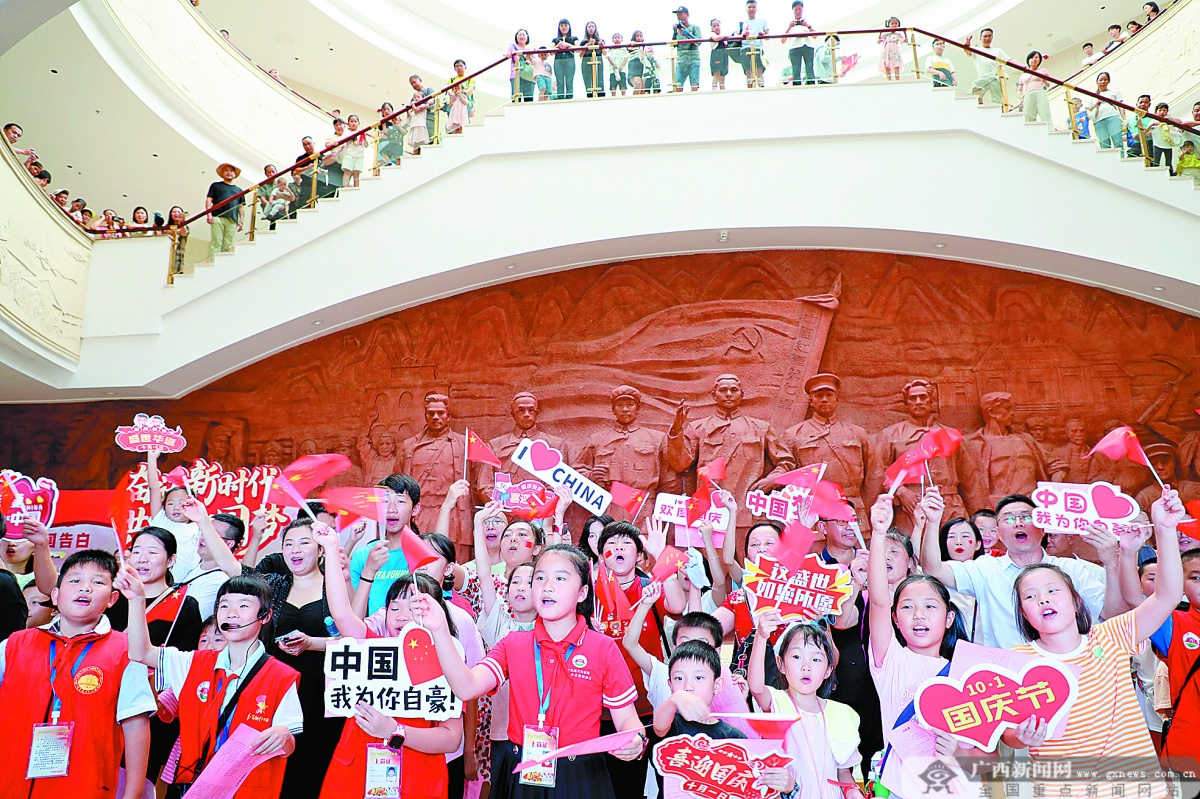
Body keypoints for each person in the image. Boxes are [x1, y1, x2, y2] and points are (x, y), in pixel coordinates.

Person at [415, 544, 645, 799]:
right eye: (540, 578)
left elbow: (628, 720)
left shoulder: (603, 647)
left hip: (580, 774)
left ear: (582, 593)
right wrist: (440, 630)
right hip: (521, 771)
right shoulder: (513, 643)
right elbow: (466, 687)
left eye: (560, 578)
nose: (547, 586)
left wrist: (635, 739)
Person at [1006, 490, 1184, 798]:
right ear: (1023, 613)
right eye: (1030, 596)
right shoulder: (1016, 659)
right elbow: (1008, 733)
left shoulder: (1112, 635)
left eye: (1053, 590)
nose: (1043, 599)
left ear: (1076, 601)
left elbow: (1167, 596)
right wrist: (1022, 738)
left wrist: (1165, 530)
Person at [119, 568, 301, 799]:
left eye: (243, 606)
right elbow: (141, 652)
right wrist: (137, 600)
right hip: (194, 785)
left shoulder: (281, 675)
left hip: (248, 790)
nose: (231, 614)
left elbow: (288, 746)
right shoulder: (193, 662)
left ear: (265, 616)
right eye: (224, 606)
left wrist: (284, 735)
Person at [313, 521, 464, 799]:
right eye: (394, 607)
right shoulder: (373, 647)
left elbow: (451, 738)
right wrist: (331, 549)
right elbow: (342, 614)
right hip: (356, 770)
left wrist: (395, 731)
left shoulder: (449, 662)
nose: (402, 616)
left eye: (415, 606)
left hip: (417, 776)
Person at [0, 550, 155, 799]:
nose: (85, 588)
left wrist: (133, 794)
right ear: (55, 595)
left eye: (98, 582)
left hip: (85, 786)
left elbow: (136, 723)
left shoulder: (127, 651)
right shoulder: (15, 644)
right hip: (9, 782)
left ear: (112, 599)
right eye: (75, 580)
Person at [866, 495, 979, 799]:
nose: (918, 615)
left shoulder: (968, 675)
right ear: (895, 618)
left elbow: (988, 760)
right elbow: (878, 601)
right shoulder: (891, 661)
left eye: (930, 606)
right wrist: (878, 534)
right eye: (907, 607)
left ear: (949, 617)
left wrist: (958, 752)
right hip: (901, 791)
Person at [920, 491, 1121, 649]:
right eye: (1008, 519)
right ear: (999, 533)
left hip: (1065, 670)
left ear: (1043, 528)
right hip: (1007, 676)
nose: (1018, 523)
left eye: (1026, 517)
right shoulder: (985, 568)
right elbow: (934, 570)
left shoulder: (1070, 569)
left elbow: (1112, 614)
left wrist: (1112, 563)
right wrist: (933, 522)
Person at [749, 616, 865, 799]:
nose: (806, 666)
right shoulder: (777, 701)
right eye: (796, 657)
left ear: (828, 670)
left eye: (816, 659)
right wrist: (761, 637)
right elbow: (756, 688)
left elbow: (843, 773)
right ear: (781, 664)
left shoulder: (841, 714)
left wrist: (852, 792)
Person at [765, 373, 868, 529]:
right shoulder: (793, 434)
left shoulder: (857, 433)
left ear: (837, 398)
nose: (824, 399)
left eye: (829, 395)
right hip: (812, 512)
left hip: (851, 508)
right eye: (819, 395)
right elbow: (786, 468)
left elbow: (873, 475)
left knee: (854, 544)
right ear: (811, 401)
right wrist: (772, 480)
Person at [580, 385, 677, 524]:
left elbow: (669, 479)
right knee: (609, 537)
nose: (625, 409)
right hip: (609, 506)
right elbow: (577, 471)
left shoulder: (657, 438)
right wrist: (590, 476)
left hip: (644, 508)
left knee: (645, 538)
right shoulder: (597, 439)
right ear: (613, 409)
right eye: (619, 405)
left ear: (638, 408)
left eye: (630, 404)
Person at [397, 392, 470, 559]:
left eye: (440, 413)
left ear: (448, 416)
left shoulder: (464, 445)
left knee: (450, 562)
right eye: (431, 413)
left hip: (453, 515)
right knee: (416, 560)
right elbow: (398, 485)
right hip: (419, 514)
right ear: (425, 416)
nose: (436, 417)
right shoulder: (409, 446)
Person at [1148, 547, 1200, 773]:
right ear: (1181, 586)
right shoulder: (1175, 624)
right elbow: (1133, 600)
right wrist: (1124, 555)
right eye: (1196, 578)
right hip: (1190, 753)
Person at [349, 473, 418, 613]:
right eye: (385, 501)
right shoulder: (363, 556)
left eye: (400, 501)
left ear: (415, 509)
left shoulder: (423, 552)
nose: (391, 508)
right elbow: (353, 615)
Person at [205, 162, 244, 261]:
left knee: (227, 244)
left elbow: (241, 207)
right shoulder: (216, 185)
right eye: (226, 170)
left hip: (232, 219)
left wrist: (241, 221)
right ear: (222, 173)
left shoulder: (239, 190)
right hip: (217, 217)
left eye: (231, 171)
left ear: (235, 174)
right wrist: (209, 214)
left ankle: (223, 264)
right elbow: (209, 200)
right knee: (216, 242)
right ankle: (213, 264)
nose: (229, 172)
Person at [964, 28, 1009, 105]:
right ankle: (979, 103)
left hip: (995, 77)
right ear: (980, 38)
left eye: (989, 36)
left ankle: (999, 109)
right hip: (983, 78)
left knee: (997, 99)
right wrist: (968, 40)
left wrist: (1024, 67)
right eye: (985, 36)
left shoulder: (997, 51)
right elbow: (967, 50)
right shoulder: (977, 50)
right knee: (976, 85)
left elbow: (1009, 60)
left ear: (992, 38)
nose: (987, 38)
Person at [781, 1, 816, 86]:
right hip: (794, 47)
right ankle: (796, 85)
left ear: (802, 10)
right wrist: (789, 27)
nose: (798, 12)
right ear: (793, 11)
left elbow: (815, 36)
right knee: (796, 68)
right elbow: (783, 40)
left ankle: (811, 83)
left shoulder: (808, 20)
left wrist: (808, 26)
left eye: (799, 9)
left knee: (810, 66)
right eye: (796, 10)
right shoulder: (788, 23)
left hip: (807, 46)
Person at [737, 0, 769, 89]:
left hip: (758, 48)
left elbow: (768, 36)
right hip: (745, 49)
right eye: (749, 7)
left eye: (753, 7)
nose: (751, 9)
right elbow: (736, 36)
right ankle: (750, 90)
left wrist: (762, 34)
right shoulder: (741, 23)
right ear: (746, 9)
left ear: (756, 9)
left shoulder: (762, 21)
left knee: (759, 70)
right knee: (748, 72)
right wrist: (743, 34)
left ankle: (762, 89)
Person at [671, 7, 701, 92]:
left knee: (694, 82)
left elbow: (698, 42)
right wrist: (675, 32)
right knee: (678, 83)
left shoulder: (695, 28)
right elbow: (673, 45)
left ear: (687, 15)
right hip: (681, 58)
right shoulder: (677, 31)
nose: (679, 17)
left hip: (693, 57)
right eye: (677, 15)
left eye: (680, 14)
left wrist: (686, 33)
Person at [1018, 51, 1052, 125]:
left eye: (1036, 57)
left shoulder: (1043, 71)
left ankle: (1049, 128)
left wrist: (1044, 81)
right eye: (1032, 58)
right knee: (1029, 115)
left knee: (1045, 113)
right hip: (1028, 94)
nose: (1034, 59)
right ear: (1028, 60)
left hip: (1040, 92)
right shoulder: (1023, 75)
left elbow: (1048, 84)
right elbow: (1019, 89)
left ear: (1039, 60)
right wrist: (1021, 98)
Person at [407, 77, 435, 154]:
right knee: (417, 142)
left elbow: (432, 99)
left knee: (429, 139)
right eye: (411, 84)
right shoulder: (413, 99)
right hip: (416, 121)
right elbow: (411, 111)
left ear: (420, 80)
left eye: (414, 82)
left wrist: (426, 105)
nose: (413, 85)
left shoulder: (428, 90)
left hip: (428, 118)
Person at [446, 60, 475, 134]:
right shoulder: (451, 79)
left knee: (463, 121)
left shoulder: (470, 79)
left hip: (465, 103)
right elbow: (448, 89)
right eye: (457, 66)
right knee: (453, 121)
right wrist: (452, 95)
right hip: (454, 103)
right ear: (454, 68)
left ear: (465, 67)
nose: (459, 67)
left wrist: (463, 94)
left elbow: (471, 88)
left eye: (461, 66)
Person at [552, 20, 578, 100]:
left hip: (570, 60)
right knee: (559, 81)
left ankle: (570, 98)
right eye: (561, 26)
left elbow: (578, 49)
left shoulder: (574, 38)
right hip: (558, 61)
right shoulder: (555, 39)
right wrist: (558, 46)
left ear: (569, 27)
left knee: (569, 81)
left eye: (566, 25)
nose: (564, 27)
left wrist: (567, 45)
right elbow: (551, 52)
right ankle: (560, 98)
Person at [507, 31, 536, 103]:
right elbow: (507, 53)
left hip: (528, 76)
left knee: (528, 99)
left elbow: (535, 63)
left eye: (523, 35)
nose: (522, 36)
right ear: (516, 37)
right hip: (516, 75)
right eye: (520, 35)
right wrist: (507, 54)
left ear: (527, 37)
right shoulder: (513, 46)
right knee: (516, 99)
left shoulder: (530, 50)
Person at [340, 114, 367, 188]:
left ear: (358, 123)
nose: (353, 123)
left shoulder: (361, 133)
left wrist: (364, 137)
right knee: (347, 171)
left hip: (359, 155)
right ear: (348, 123)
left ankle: (356, 187)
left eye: (355, 121)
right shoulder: (346, 133)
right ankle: (345, 187)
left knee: (356, 173)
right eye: (351, 121)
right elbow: (343, 142)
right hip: (349, 154)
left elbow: (366, 145)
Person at [579, 22, 604, 99]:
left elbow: (605, 53)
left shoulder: (600, 41)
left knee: (599, 78)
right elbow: (581, 55)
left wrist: (601, 45)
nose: (591, 29)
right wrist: (587, 45)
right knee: (588, 80)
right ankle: (589, 95)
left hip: (598, 60)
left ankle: (601, 95)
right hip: (587, 61)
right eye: (589, 27)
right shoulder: (583, 42)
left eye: (592, 27)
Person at [878, 17, 906, 82]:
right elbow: (879, 41)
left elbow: (905, 41)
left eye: (896, 23)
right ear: (889, 25)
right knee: (887, 65)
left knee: (896, 64)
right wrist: (880, 33)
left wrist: (904, 32)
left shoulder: (898, 34)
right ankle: (889, 80)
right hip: (886, 50)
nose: (894, 25)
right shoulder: (886, 34)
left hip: (895, 50)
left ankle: (897, 80)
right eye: (892, 24)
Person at [708, 20, 731, 90]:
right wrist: (725, 36)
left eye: (718, 25)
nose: (716, 27)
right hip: (716, 55)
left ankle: (722, 89)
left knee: (723, 75)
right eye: (714, 26)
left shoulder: (721, 36)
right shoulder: (712, 34)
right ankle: (714, 89)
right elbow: (716, 39)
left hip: (724, 56)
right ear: (711, 28)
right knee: (716, 74)